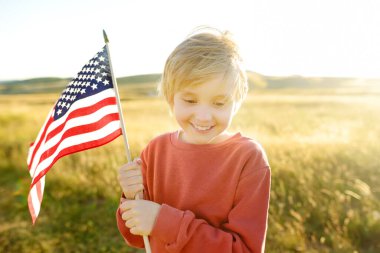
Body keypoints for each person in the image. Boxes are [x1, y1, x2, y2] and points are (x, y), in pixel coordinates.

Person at [116, 27, 271, 253]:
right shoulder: (155, 151)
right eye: (190, 100)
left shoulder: (248, 159)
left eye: (219, 103)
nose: (204, 116)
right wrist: (131, 197)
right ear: (171, 99)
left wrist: (164, 222)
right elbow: (137, 238)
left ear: (236, 101)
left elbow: (246, 250)